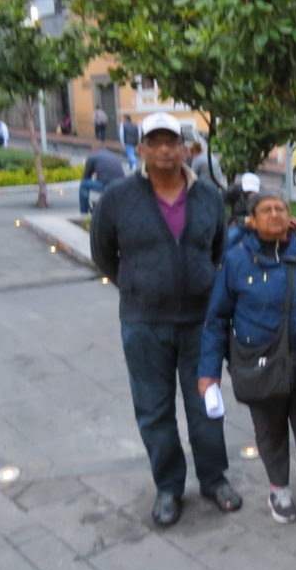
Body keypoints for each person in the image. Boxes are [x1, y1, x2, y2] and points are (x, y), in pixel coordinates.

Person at [90, 111, 240, 527]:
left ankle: (214, 479)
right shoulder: (118, 197)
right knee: (154, 409)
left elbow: (217, 250)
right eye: (154, 142)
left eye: (171, 142)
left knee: (205, 406)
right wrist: (137, 286)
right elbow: (104, 254)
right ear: (140, 149)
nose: (163, 150)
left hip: (200, 323)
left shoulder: (208, 196)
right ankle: (169, 487)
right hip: (143, 323)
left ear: (185, 148)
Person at [199, 190, 296, 523]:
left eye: (280, 208)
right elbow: (217, 320)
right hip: (259, 365)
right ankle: (278, 489)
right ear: (251, 220)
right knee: (270, 430)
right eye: (266, 210)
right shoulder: (236, 260)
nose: (274, 215)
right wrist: (208, 371)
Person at [79, 144, 126, 215]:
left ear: (93, 150)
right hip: (121, 184)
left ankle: (84, 212)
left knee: (84, 184)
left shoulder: (92, 156)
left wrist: (92, 177)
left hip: (107, 184)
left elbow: (86, 175)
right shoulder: (112, 155)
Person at [224, 172, 260, 246]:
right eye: (247, 190)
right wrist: (230, 220)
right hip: (237, 223)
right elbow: (218, 205)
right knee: (229, 239)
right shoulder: (234, 191)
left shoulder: (262, 196)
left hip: (256, 224)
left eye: (252, 190)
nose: (249, 192)